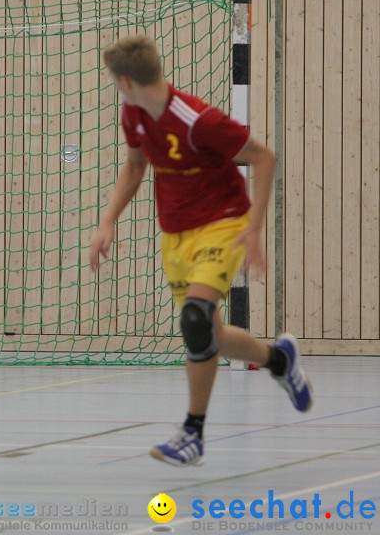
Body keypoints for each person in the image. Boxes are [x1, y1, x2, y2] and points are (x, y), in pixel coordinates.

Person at [87, 34, 313, 467]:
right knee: (209, 333)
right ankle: (279, 360)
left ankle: (193, 433)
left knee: (194, 319)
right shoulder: (133, 114)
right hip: (175, 235)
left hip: (222, 224)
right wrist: (107, 220)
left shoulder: (197, 119)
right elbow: (135, 166)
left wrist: (253, 229)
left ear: (125, 81)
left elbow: (264, 158)